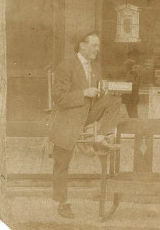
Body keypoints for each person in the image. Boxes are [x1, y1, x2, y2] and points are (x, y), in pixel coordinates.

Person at [49, 29, 121, 219]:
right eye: (94, 45)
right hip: (69, 117)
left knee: (115, 99)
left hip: (88, 113)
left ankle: (101, 136)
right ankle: (61, 202)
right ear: (82, 45)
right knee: (62, 163)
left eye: (98, 45)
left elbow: (94, 93)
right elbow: (58, 97)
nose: (97, 49)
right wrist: (84, 93)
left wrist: (101, 91)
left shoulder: (94, 66)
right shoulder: (67, 65)